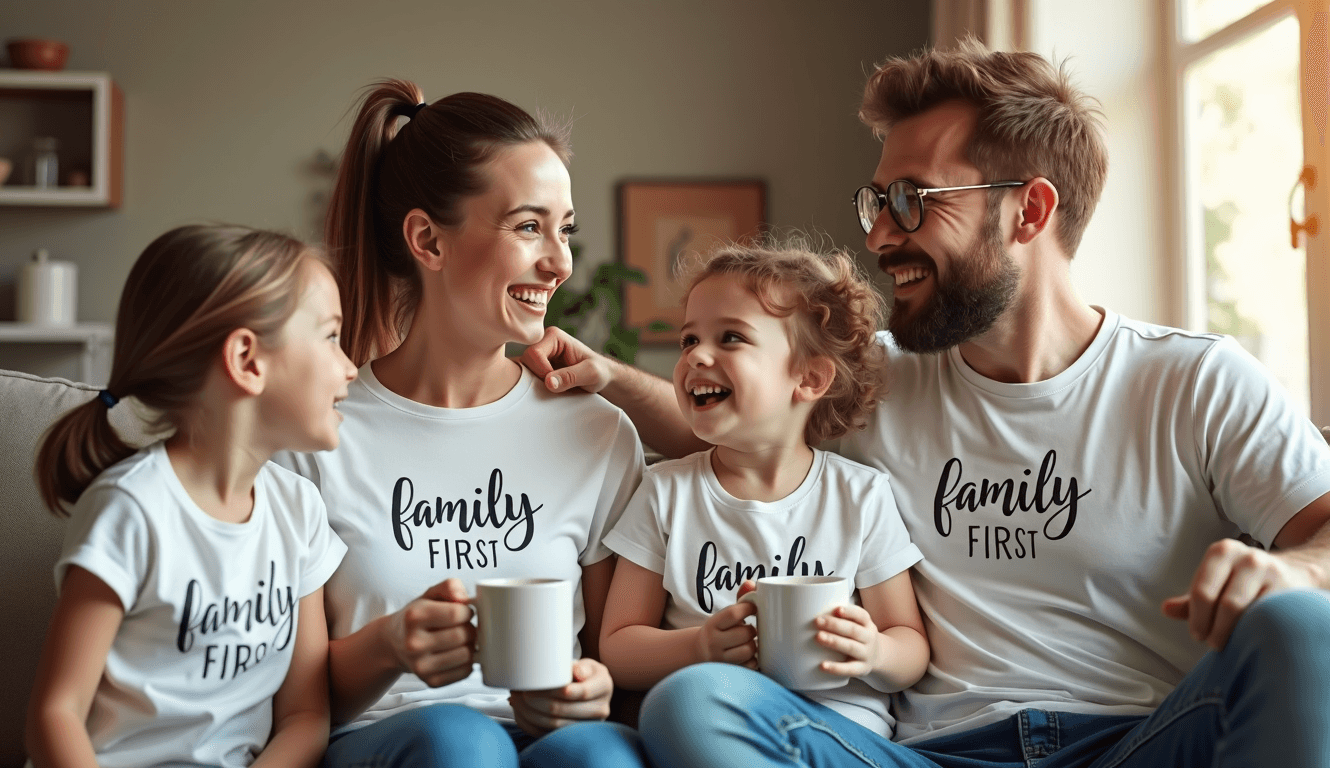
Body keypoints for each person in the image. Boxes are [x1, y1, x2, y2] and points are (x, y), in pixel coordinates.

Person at [524, 39, 1330, 767]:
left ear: (1030, 210)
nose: (879, 237)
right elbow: (739, 430)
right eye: (877, 203)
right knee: (697, 702)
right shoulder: (878, 378)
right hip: (928, 756)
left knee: (1302, 627)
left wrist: (1287, 573)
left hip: (1143, 741)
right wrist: (610, 377)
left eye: (913, 200)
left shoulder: (1196, 381)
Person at [273, 81, 648, 768]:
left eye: (564, 229)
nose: (560, 262)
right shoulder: (319, 436)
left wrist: (595, 691)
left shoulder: (598, 433)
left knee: (601, 755)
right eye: (528, 226)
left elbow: (612, 662)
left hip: (547, 740)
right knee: (461, 743)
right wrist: (390, 644)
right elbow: (294, 699)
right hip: (392, 739)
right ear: (427, 240)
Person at [25, 225, 353, 768]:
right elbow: (54, 715)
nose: (348, 366)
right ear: (248, 360)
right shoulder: (131, 510)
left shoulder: (300, 512)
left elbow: (304, 717)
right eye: (331, 336)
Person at [599, 242, 929, 739]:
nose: (696, 356)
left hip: (836, 731)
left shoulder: (859, 495)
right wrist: (699, 647)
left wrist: (875, 652)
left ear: (810, 377)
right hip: (714, 720)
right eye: (689, 340)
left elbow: (911, 644)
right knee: (681, 707)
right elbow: (619, 647)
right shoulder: (665, 492)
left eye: (730, 337)